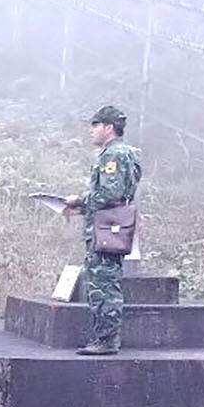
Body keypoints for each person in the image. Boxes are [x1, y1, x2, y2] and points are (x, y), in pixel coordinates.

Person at [64, 105, 145, 356]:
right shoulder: (124, 153)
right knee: (104, 280)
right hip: (109, 224)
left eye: (95, 125)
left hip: (107, 227)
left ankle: (106, 340)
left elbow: (111, 193)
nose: (91, 131)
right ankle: (103, 338)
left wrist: (80, 200)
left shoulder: (113, 155)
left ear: (108, 127)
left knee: (103, 283)